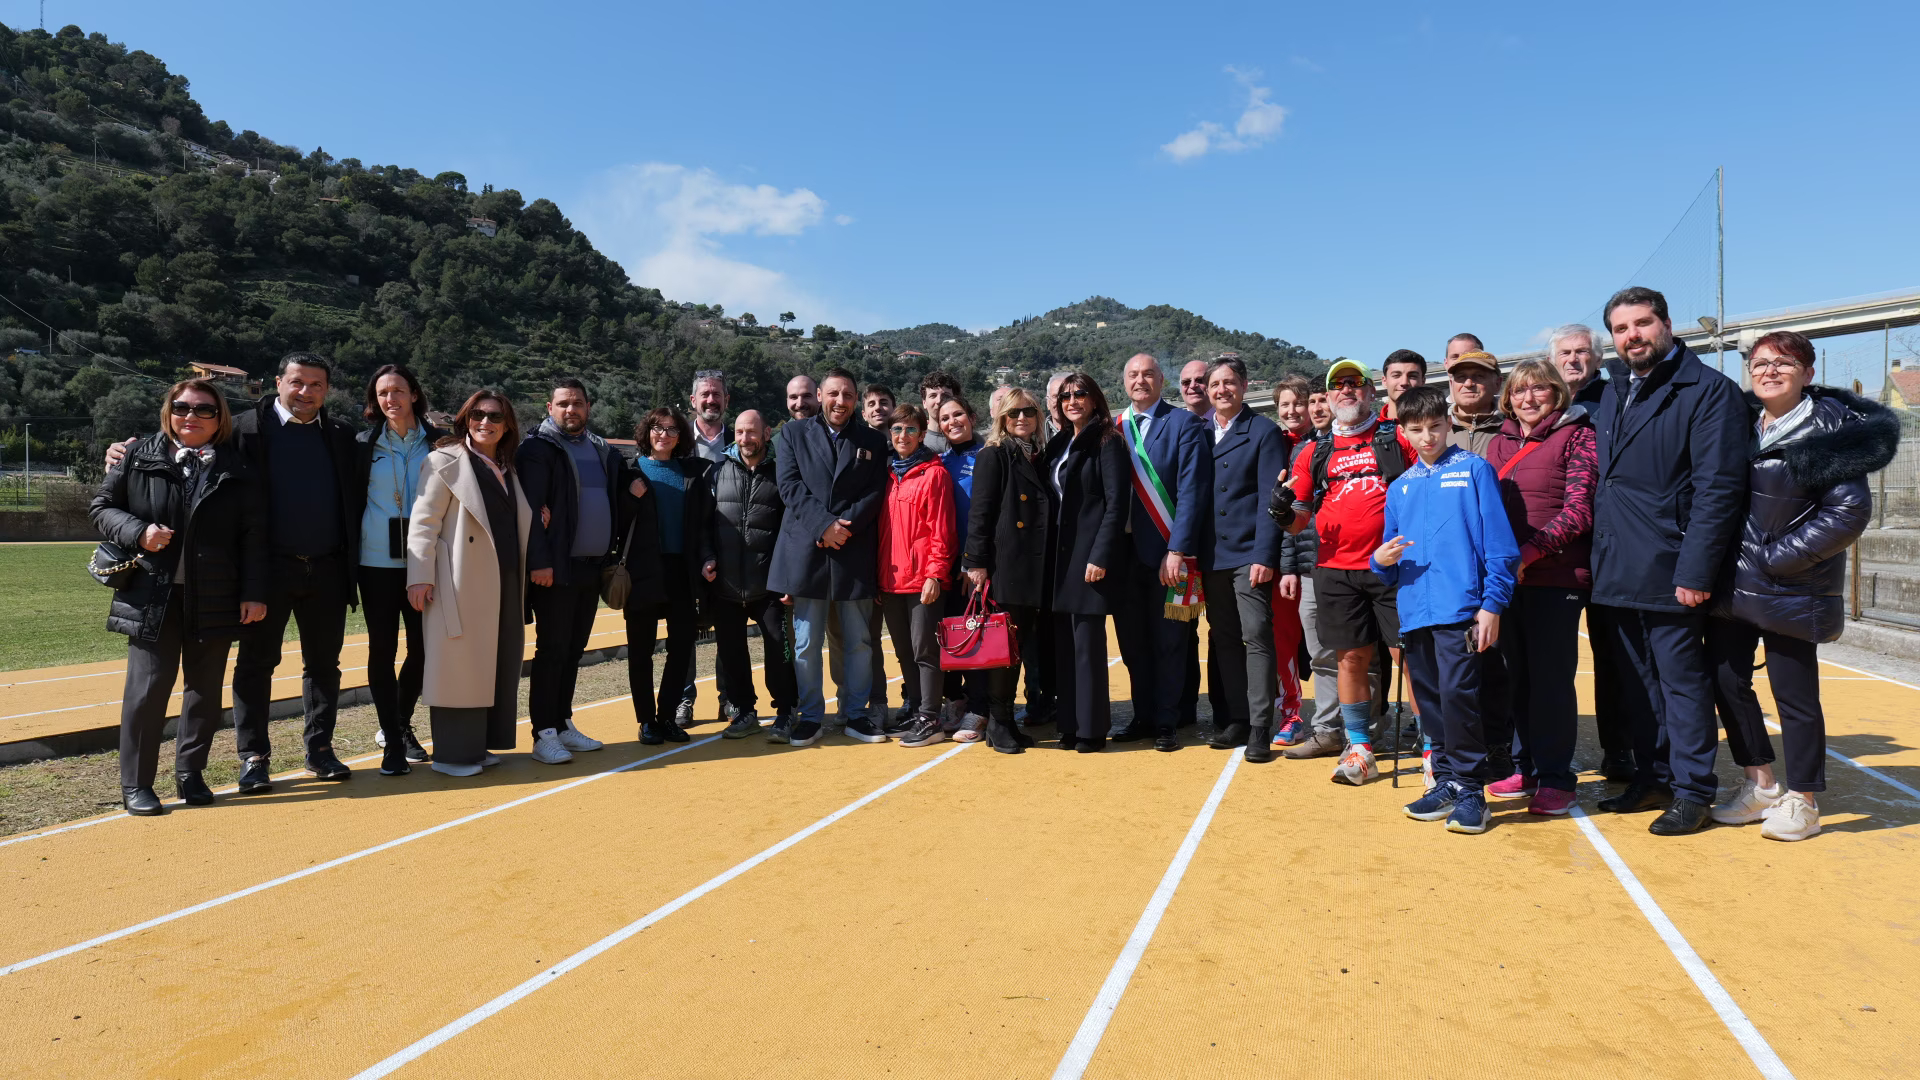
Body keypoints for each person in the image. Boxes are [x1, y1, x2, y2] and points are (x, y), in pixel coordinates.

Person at [108, 354, 365, 789]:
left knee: (324, 666)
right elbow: (184, 440)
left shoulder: (341, 435)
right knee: (255, 665)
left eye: (316, 385)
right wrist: (121, 451)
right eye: (297, 382)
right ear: (279, 382)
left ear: (327, 390)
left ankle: (320, 751)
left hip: (327, 568)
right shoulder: (242, 429)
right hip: (263, 570)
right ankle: (253, 757)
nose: (305, 392)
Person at [1706, 331, 1897, 841]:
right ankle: (1761, 784)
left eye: (1784, 363)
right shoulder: (1737, 423)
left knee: (1794, 695)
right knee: (1725, 680)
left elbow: (1849, 512)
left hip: (1789, 584)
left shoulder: (1829, 429)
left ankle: (1805, 800)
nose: (1769, 371)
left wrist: (1775, 559)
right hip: (1731, 581)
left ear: (1808, 373)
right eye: (1760, 363)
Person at [1589, 286, 1748, 836]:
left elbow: (1718, 490)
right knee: (1638, 684)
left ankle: (1693, 790)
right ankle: (1654, 777)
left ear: (1667, 324)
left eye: (1642, 323)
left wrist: (1696, 571)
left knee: (1682, 685)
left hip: (1673, 566)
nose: (1632, 336)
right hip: (1618, 564)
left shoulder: (1708, 391)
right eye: (1621, 329)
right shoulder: (1617, 390)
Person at [91, 380, 267, 814]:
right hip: (151, 593)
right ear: (169, 411)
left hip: (216, 594)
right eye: (182, 407)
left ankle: (190, 773)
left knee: (203, 692)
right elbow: (101, 508)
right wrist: (138, 532)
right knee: (147, 691)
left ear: (219, 418)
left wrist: (253, 592)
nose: (191, 416)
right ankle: (136, 784)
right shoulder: (137, 455)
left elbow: (253, 536)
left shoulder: (237, 466)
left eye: (204, 410)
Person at [1373, 386, 1520, 834]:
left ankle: (1472, 789)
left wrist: (1492, 605)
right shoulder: (1400, 487)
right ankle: (1447, 782)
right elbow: (1387, 560)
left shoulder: (1474, 470)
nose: (1428, 437)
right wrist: (1379, 561)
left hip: (1461, 610)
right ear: (1404, 432)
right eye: (1417, 429)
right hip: (1415, 610)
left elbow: (1500, 545)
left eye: (1436, 426)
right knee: (1432, 701)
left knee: (1460, 698)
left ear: (1448, 423)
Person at [1284, 359, 1416, 780]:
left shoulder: (1397, 437)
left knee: (1410, 659)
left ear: (1370, 391)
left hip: (1394, 565)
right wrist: (1281, 511)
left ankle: (1436, 751)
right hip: (1335, 569)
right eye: (1337, 384)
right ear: (1327, 395)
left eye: (1354, 382)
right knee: (1351, 660)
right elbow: (1298, 520)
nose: (1346, 389)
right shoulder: (1315, 450)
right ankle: (1359, 749)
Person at [1482, 360, 1596, 816]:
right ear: (1508, 398)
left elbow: (1579, 510)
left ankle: (1556, 778)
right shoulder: (1498, 442)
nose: (1529, 399)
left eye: (1540, 389)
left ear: (1557, 393)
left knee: (1550, 681)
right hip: (1508, 579)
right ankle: (1524, 766)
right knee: (1517, 678)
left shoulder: (1578, 436)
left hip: (1555, 578)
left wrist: (1527, 555)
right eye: (1519, 391)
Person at [405, 390, 533, 777]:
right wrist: (419, 577)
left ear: (507, 426)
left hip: (504, 579)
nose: (485, 422)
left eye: (495, 416)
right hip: (459, 579)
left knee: (495, 661)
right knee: (458, 665)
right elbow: (423, 523)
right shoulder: (442, 461)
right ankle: (452, 756)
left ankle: (478, 746)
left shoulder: (507, 468)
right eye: (477, 414)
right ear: (465, 419)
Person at [770, 368, 890, 747]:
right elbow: (790, 485)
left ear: (856, 400)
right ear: (820, 395)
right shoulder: (792, 434)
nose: (841, 401)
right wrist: (823, 525)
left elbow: (875, 493)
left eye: (848, 395)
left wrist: (843, 528)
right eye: (834, 393)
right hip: (807, 550)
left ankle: (856, 714)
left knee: (858, 642)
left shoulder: (873, 440)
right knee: (807, 643)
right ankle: (810, 717)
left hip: (853, 551)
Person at [519, 379, 632, 763]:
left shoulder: (600, 448)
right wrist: (540, 562)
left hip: (592, 568)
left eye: (578, 403)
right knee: (552, 650)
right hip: (556, 569)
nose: (571, 409)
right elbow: (530, 511)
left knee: (573, 650)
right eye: (564, 403)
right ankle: (543, 734)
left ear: (588, 407)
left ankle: (563, 722)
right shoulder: (538, 449)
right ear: (549, 407)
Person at [1110, 354, 1210, 753]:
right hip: (1123, 556)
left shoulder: (1183, 423)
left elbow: (1192, 491)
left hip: (1168, 555)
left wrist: (1177, 548)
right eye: (1133, 374)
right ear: (1124, 381)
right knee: (1133, 643)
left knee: (1170, 641)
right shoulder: (1114, 427)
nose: (1140, 380)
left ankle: (1168, 721)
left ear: (1161, 379)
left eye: (1148, 374)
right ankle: (1143, 715)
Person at [1199, 357, 1292, 762]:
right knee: (1224, 638)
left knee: (1255, 635)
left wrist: (1264, 554)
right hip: (1211, 555)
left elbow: (1270, 500)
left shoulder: (1263, 431)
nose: (1222, 390)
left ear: (1244, 385)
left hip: (1247, 553)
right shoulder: (1199, 432)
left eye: (1229, 382)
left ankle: (1259, 726)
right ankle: (1237, 718)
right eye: (1215, 384)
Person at [1547, 322, 1628, 778]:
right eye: (1565, 353)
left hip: (1609, 546)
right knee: (1548, 662)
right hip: (1555, 554)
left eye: (1582, 352)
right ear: (1552, 360)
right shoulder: (1542, 402)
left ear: (1598, 358)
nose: (1574, 359)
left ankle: (1620, 750)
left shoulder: (1616, 398)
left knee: (1614, 656)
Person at [355, 364, 442, 774]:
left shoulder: (440, 443)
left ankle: (401, 723)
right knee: (382, 650)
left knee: (423, 650)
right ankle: (392, 740)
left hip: (426, 563)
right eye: (383, 393)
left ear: (414, 394)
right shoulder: (362, 444)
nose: (391, 399)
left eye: (398, 391)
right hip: (376, 563)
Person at [1042, 372, 1130, 753]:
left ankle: (1091, 730)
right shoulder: (1059, 442)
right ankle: (1070, 725)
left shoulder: (1108, 441)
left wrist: (1100, 554)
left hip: (1089, 555)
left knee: (1087, 646)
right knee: (1064, 645)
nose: (1072, 401)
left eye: (1080, 394)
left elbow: (1116, 504)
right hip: (1059, 557)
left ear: (1094, 399)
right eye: (1065, 396)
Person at [963, 389, 1051, 754]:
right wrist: (976, 563)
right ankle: (998, 721)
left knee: (1018, 647)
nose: (1021, 418)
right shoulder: (994, 454)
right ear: (1002, 418)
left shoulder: (1039, 454)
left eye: (1028, 411)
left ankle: (1007, 720)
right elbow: (980, 513)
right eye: (1013, 412)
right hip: (1006, 566)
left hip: (1033, 567)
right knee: (1004, 647)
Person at [704, 410, 797, 740]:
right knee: (732, 654)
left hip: (769, 585)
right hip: (726, 585)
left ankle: (786, 711)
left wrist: (789, 577)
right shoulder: (717, 473)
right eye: (740, 432)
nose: (745, 439)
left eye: (752, 432)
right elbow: (703, 525)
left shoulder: (781, 473)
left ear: (767, 433)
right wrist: (707, 558)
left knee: (778, 652)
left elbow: (791, 530)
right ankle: (744, 711)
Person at [626, 407, 714, 744]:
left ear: (681, 437)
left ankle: (667, 717)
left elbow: (704, 523)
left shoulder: (694, 472)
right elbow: (619, 519)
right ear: (646, 432)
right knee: (641, 650)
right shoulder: (630, 471)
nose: (664, 435)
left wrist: (706, 559)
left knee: (681, 646)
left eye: (672, 429)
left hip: (682, 571)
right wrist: (631, 498)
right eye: (657, 428)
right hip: (642, 571)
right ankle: (646, 721)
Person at [877, 404, 956, 746]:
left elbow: (943, 531)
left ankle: (930, 718)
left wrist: (935, 575)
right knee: (905, 652)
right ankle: (915, 709)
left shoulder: (934, 475)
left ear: (922, 434)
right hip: (890, 581)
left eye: (911, 429)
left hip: (923, 579)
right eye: (897, 429)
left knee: (926, 652)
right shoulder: (888, 475)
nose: (903, 436)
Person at [936, 395, 990, 739]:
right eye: (945, 418)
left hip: (975, 565)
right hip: (944, 565)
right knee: (948, 638)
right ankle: (955, 700)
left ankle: (980, 708)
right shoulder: (939, 462)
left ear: (971, 416)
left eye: (958, 414)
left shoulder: (986, 456)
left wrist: (975, 561)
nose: (952, 422)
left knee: (977, 635)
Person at [1269, 374, 1316, 745]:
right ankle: (1292, 713)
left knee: (1328, 644)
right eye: (1284, 404)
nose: (1292, 411)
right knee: (1283, 639)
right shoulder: (1274, 444)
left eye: (1298, 403)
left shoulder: (1328, 444)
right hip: (1283, 560)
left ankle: (1343, 718)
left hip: (1318, 558)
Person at [1446, 350, 1505, 456]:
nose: (1468, 384)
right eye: (1461, 377)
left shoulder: (1515, 426)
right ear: (1451, 384)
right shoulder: (1435, 428)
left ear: (1497, 384)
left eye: (1479, 376)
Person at [688, 370, 733, 463]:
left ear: (726, 401)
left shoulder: (737, 443)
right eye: (705, 394)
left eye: (716, 394)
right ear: (693, 401)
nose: (711, 400)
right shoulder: (677, 440)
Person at [919, 371, 963, 454]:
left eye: (945, 395)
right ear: (924, 403)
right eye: (933, 396)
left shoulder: (973, 439)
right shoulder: (917, 442)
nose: (939, 401)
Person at [1380, 349, 1427, 422]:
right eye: (1396, 375)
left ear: (1423, 381)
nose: (1404, 382)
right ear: (1384, 381)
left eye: (1412, 376)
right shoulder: (1370, 428)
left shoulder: (1440, 426)